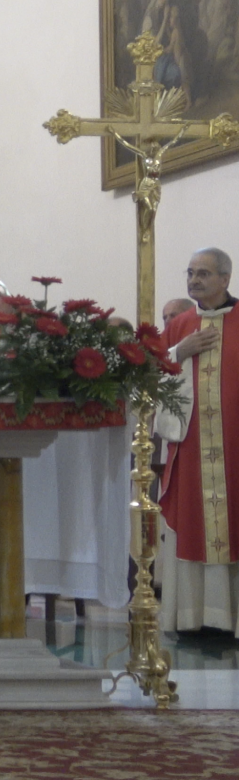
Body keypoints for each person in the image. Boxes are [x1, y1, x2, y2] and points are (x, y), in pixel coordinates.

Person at [158, 247, 238, 633]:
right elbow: (147, 375)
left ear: (225, 279)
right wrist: (179, 352)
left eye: (203, 273)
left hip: (234, 446)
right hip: (190, 447)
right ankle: (193, 618)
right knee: (192, 522)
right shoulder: (179, 325)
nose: (194, 280)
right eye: (190, 273)